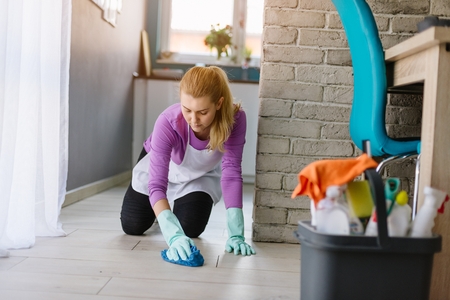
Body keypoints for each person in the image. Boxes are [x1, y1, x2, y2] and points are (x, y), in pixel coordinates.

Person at [120, 66, 255, 262]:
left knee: (191, 228)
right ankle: (162, 213)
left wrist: (236, 233)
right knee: (132, 226)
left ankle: (171, 211)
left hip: (199, 174)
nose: (194, 120)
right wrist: (172, 234)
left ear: (219, 103)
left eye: (202, 112)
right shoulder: (168, 121)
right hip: (161, 166)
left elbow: (231, 172)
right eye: (187, 110)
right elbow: (157, 183)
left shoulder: (235, 119)